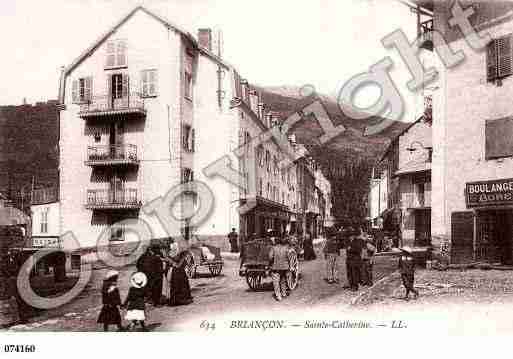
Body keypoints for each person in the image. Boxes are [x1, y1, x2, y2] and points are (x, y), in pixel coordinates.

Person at [268, 232, 290, 301]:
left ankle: (278, 296)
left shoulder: (273, 248)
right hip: (284, 267)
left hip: (276, 267)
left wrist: (271, 262)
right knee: (283, 280)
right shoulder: (285, 248)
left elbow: (270, 257)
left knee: (276, 282)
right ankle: (283, 293)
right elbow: (288, 257)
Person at [345, 227, 364, 292]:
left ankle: (355, 286)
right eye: (349, 236)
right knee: (349, 273)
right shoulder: (348, 241)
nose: (350, 237)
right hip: (349, 259)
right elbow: (347, 248)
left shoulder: (358, 241)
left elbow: (358, 250)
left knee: (354, 274)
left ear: (354, 236)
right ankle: (351, 285)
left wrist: (351, 249)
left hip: (355, 260)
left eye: (351, 236)